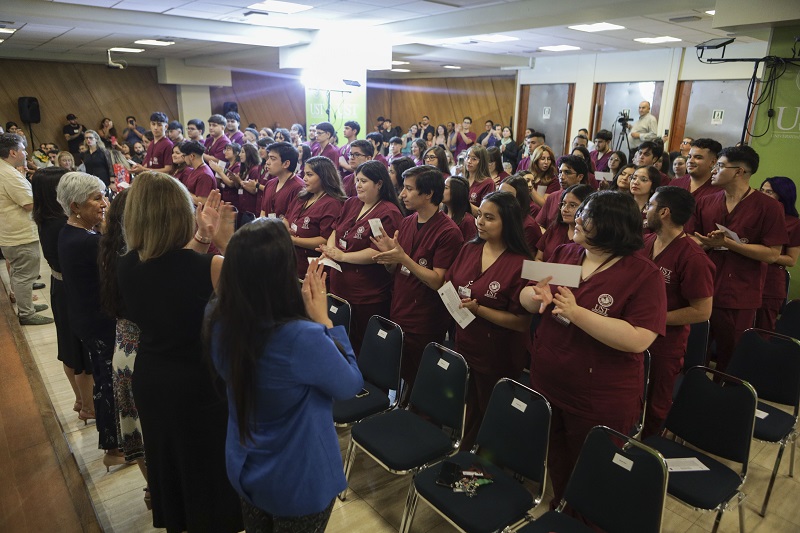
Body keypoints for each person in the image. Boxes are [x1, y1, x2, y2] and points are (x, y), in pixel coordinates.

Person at [208, 221, 362, 532]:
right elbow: (350, 384)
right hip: (297, 476)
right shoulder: (300, 337)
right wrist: (324, 320)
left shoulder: (217, 318)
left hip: (246, 464)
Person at [520, 190, 667, 504]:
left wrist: (576, 314)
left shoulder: (643, 274)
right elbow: (527, 296)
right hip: (550, 380)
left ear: (612, 226)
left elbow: (639, 338)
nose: (576, 218)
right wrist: (535, 299)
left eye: (586, 215)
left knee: (594, 472)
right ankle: (564, 509)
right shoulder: (565, 252)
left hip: (598, 395)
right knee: (557, 458)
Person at [117, 172, 242, 532]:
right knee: (208, 471)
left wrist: (203, 237)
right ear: (179, 215)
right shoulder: (212, 267)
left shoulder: (127, 265)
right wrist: (225, 240)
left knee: (173, 464)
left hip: (154, 377)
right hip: (199, 382)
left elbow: (174, 276)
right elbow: (254, 300)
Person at [687, 145, 787, 372]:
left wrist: (728, 244)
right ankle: (690, 396)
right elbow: (691, 237)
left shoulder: (769, 207)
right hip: (703, 285)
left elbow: (772, 254)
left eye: (720, 166)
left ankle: (726, 399)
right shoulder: (706, 201)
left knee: (730, 355)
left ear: (739, 172)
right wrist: (704, 242)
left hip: (739, 292)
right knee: (693, 349)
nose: (714, 171)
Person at [445, 191, 532, 448]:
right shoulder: (470, 248)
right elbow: (450, 283)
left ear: (509, 222)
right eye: (480, 215)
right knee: (470, 404)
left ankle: (488, 459)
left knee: (492, 410)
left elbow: (521, 322)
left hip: (498, 352)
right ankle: (468, 450)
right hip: (466, 341)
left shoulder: (521, 263)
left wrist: (480, 310)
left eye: (490, 218)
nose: (480, 222)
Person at [372, 166, 464, 392]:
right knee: (401, 371)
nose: (402, 194)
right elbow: (395, 270)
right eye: (404, 188)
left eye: (409, 189)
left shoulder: (448, 232)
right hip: (400, 307)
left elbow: (436, 281)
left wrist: (403, 258)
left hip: (425, 316)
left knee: (420, 380)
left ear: (429, 193)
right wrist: (389, 257)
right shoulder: (407, 221)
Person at [56, 172, 126, 467]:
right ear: (75, 207)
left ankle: (112, 443)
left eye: (103, 196)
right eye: (96, 199)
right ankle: (113, 447)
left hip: (87, 317)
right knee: (108, 381)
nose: (104, 203)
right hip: (99, 321)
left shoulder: (70, 232)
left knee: (104, 378)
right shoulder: (85, 241)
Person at [641, 186, 714, 439]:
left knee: (655, 404)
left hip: (665, 343)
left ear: (664, 212)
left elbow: (702, 311)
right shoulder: (647, 241)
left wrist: (655, 319)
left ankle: (649, 451)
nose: (644, 210)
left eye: (649, 205)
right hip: (636, 335)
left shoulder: (693, 257)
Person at [97, 188, 149, 502]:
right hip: (147, 348)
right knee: (151, 424)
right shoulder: (140, 259)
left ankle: (152, 488)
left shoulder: (110, 249)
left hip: (124, 345)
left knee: (135, 425)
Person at [320, 160, 403, 355]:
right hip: (339, 285)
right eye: (357, 180)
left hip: (366, 293)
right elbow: (336, 229)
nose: (357, 185)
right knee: (338, 341)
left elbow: (379, 251)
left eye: (364, 181)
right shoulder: (352, 202)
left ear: (379, 184)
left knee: (361, 347)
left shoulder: (388, 212)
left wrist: (343, 256)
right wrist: (331, 250)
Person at [32, 167, 93, 417]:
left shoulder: (45, 218)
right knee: (81, 354)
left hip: (59, 286)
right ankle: (88, 407)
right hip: (71, 289)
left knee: (69, 348)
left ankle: (80, 401)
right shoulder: (63, 225)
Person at [0, 133, 52, 325]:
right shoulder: (9, 175)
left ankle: (26, 304)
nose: (26, 152)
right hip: (18, 235)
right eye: (23, 149)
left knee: (18, 272)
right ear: (13, 152)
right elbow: (29, 204)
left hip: (11, 232)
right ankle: (27, 314)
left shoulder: (6, 170)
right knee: (24, 274)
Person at [285, 156, 346, 279]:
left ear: (324, 177)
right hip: (292, 261)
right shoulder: (303, 196)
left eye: (309, 174)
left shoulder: (332, 203)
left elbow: (325, 240)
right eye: (304, 174)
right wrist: (285, 229)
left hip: (313, 268)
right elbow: (287, 218)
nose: (304, 178)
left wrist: (294, 240)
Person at [757, 177, 800, 331]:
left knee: (763, 331)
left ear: (783, 196)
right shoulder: (755, 216)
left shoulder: (793, 223)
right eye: (761, 191)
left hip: (770, 282)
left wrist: (764, 254)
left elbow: (791, 260)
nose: (763, 195)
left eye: (769, 192)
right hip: (747, 278)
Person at [535, 184, 593, 262]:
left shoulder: (591, 237)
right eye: (563, 204)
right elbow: (538, 258)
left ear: (586, 208)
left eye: (572, 205)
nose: (565, 209)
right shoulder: (555, 227)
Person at [535, 155, 589, 231]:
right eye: (560, 172)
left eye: (567, 172)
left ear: (580, 177)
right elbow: (538, 224)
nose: (562, 177)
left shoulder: (588, 200)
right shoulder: (552, 197)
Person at [499, 174, 541, 254]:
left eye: (508, 195)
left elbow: (521, 256)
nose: (501, 199)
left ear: (519, 198)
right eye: (500, 193)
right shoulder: (501, 216)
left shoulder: (528, 226)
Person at [260, 141, 303, 219]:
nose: (267, 162)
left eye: (272, 159)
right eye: (268, 157)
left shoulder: (299, 188)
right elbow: (263, 212)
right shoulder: (269, 183)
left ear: (286, 164)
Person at [442, 176, 477, 242]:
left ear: (456, 192)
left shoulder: (467, 221)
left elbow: (470, 248)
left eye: (445, 188)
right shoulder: (442, 214)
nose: (441, 190)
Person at [210, 142, 242, 209]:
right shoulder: (226, 165)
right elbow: (218, 183)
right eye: (225, 150)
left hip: (233, 200)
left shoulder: (238, 166)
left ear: (236, 153)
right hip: (224, 198)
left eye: (228, 149)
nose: (225, 152)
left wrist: (219, 171)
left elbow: (231, 184)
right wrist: (217, 172)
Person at [464, 145, 495, 215]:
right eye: (468, 157)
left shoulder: (488, 183)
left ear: (482, 162)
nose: (469, 161)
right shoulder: (462, 180)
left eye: (474, 159)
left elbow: (485, 213)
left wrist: (464, 202)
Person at [629, 165, 661, 231]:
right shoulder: (622, 204)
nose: (635, 182)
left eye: (643, 180)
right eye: (634, 178)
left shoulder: (655, 211)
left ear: (653, 185)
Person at [237, 143, 262, 223]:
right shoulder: (247, 169)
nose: (240, 154)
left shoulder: (254, 170)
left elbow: (254, 190)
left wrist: (239, 181)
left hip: (250, 211)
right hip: (243, 208)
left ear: (249, 154)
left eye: (243, 152)